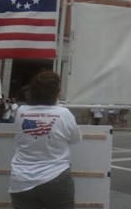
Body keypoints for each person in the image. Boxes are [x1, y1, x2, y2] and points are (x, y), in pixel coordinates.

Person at [9, 71, 81, 209]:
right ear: (56, 92)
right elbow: (75, 139)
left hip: (21, 178)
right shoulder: (64, 113)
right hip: (56, 177)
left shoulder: (20, 111)